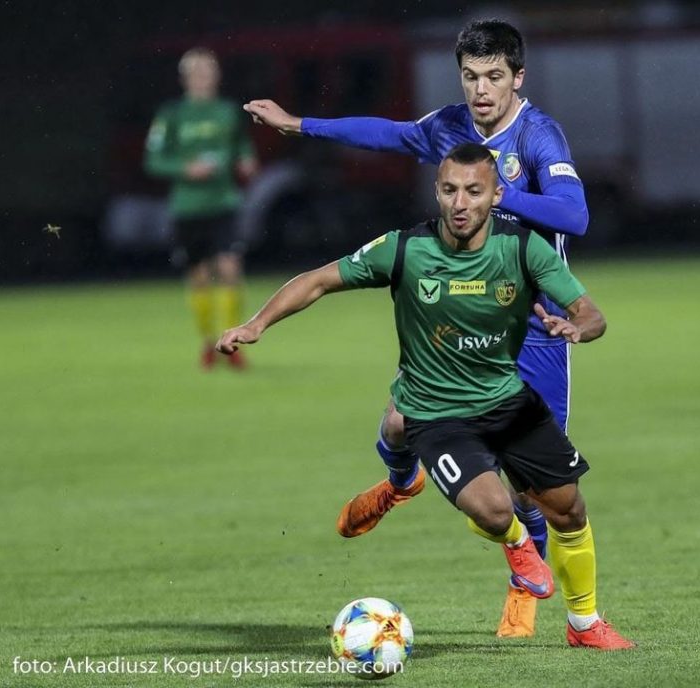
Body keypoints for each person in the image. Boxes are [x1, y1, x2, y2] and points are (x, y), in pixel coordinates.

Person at [216, 144, 633, 650]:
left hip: (508, 402)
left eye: (474, 191)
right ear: (436, 191)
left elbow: (591, 312)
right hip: (437, 414)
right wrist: (257, 323)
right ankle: (516, 542)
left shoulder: (523, 248)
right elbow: (319, 280)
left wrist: (578, 327)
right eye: (450, 190)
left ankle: (584, 625)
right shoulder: (405, 249)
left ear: (496, 195)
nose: (460, 203)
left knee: (569, 511)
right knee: (495, 511)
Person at [243, 20, 586, 635]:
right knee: (401, 421)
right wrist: (301, 124)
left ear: (518, 78)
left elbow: (574, 215)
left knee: (533, 487)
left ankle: (524, 586)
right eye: (471, 77)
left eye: (494, 77)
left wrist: (500, 195)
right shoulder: (450, 125)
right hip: (457, 313)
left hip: (535, 324)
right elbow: (389, 133)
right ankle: (401, 482)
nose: (481, 90)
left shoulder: (538, 136)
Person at [145, 47, 258, 369]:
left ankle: (232, 344)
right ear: (184, 78)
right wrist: (185, 169)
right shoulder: (172, 114)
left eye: (207, 71)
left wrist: (247, 160)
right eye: (195, 73)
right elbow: (153, 160)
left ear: (216, 75)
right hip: (188, 207)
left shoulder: (227, 111)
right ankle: (208, 342)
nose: (202, 78)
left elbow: (242, 146)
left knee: (230, 268)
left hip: (223, 202)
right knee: (199, 277)